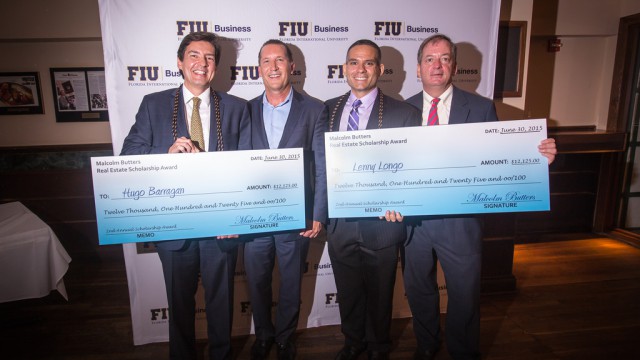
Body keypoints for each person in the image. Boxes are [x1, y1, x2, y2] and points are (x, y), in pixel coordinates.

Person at [402, 34, 557, 360]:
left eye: (444, 58)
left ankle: (463, 352)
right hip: (413, 221)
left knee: (465, 293)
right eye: (430, 59)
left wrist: (538, 155)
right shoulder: (402, 110)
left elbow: (498, 157)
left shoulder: (482, 107)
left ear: (454, 66)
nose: (437, 65)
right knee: (418, 289)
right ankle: (426, 345)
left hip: (461, 221)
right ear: (418, 69)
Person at [120, 31, 251, 360]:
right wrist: (165, 154)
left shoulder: (236, 108)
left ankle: (221, 354)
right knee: (179, 301)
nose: (201, 63)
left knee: (221, 299)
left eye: (209, 58)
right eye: (194, 55)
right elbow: (128, 157)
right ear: (180, 62)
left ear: (216, 67)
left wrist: (235, 217)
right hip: (173, 223)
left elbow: (248, 166)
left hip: (220, 223)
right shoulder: (154, 104)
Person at [325, 39, 421, 360]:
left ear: (380, 69)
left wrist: (402, 201)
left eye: (368, 63)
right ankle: (353, 341)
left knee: (381, 293)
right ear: (344, 68)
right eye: (354, 62)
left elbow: (413, 167)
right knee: (348, 291)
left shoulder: (405, 113)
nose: (360, 69)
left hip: (383, 222)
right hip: (340, 222)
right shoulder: (326, 110)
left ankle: (379, 345)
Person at [244, 39, 328, 360]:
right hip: (254, 216)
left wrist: (317, 211)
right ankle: (263, 334)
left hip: (297, 215)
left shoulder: (314, 109)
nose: (273, 67)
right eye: (267, 61)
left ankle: (284, 337)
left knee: (292, 281)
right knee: (257, 279)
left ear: (291, 66)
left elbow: (321, 165)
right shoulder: (245, 110)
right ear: (259, 69)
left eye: (280, 60)